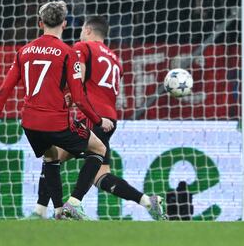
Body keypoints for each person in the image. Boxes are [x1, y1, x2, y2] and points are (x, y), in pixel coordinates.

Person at [25, 15, 165, 220]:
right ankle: (146, 201)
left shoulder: (83, 47)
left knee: (52, 156)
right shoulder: (115, 59)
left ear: (88, 30)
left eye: (82, 29)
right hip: (110, 118)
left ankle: (47, 210)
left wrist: (64, 99)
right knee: (101, 176)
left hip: (91, 116)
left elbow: (78, 79)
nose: (81, 33)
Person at [0, 0, 111, 220]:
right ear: (65, 24)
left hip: (30, 124)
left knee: (51, 157)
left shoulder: (24, 51)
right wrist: (98, 121)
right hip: (56, 122)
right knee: (99, 149)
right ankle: (74, 202)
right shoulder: (68, 53)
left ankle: (58, 211)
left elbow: (3, 91)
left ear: (40, 23)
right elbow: (79, 98)